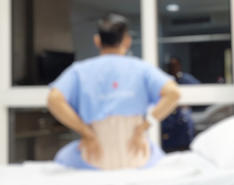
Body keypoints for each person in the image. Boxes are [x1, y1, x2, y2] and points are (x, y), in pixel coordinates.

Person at [47, 14, 180, 170]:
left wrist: (86, 133)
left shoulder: (79, 71)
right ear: (127, 41)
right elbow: (173, 93)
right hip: (137, 155)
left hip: (94, 157)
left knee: (64, 157)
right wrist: (144, 127)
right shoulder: (142, 69)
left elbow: (54, 100)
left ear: (97, 41)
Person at [161, 57, 200, 152]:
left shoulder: (187, 79)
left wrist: (188, 103)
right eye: (171, 66)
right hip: (168, 111)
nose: (173, 68)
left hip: (182, 110)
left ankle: (187, 147)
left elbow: (200, 91)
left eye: (175, 65)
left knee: (186, 119)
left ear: (180, 66)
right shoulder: (164, 80)